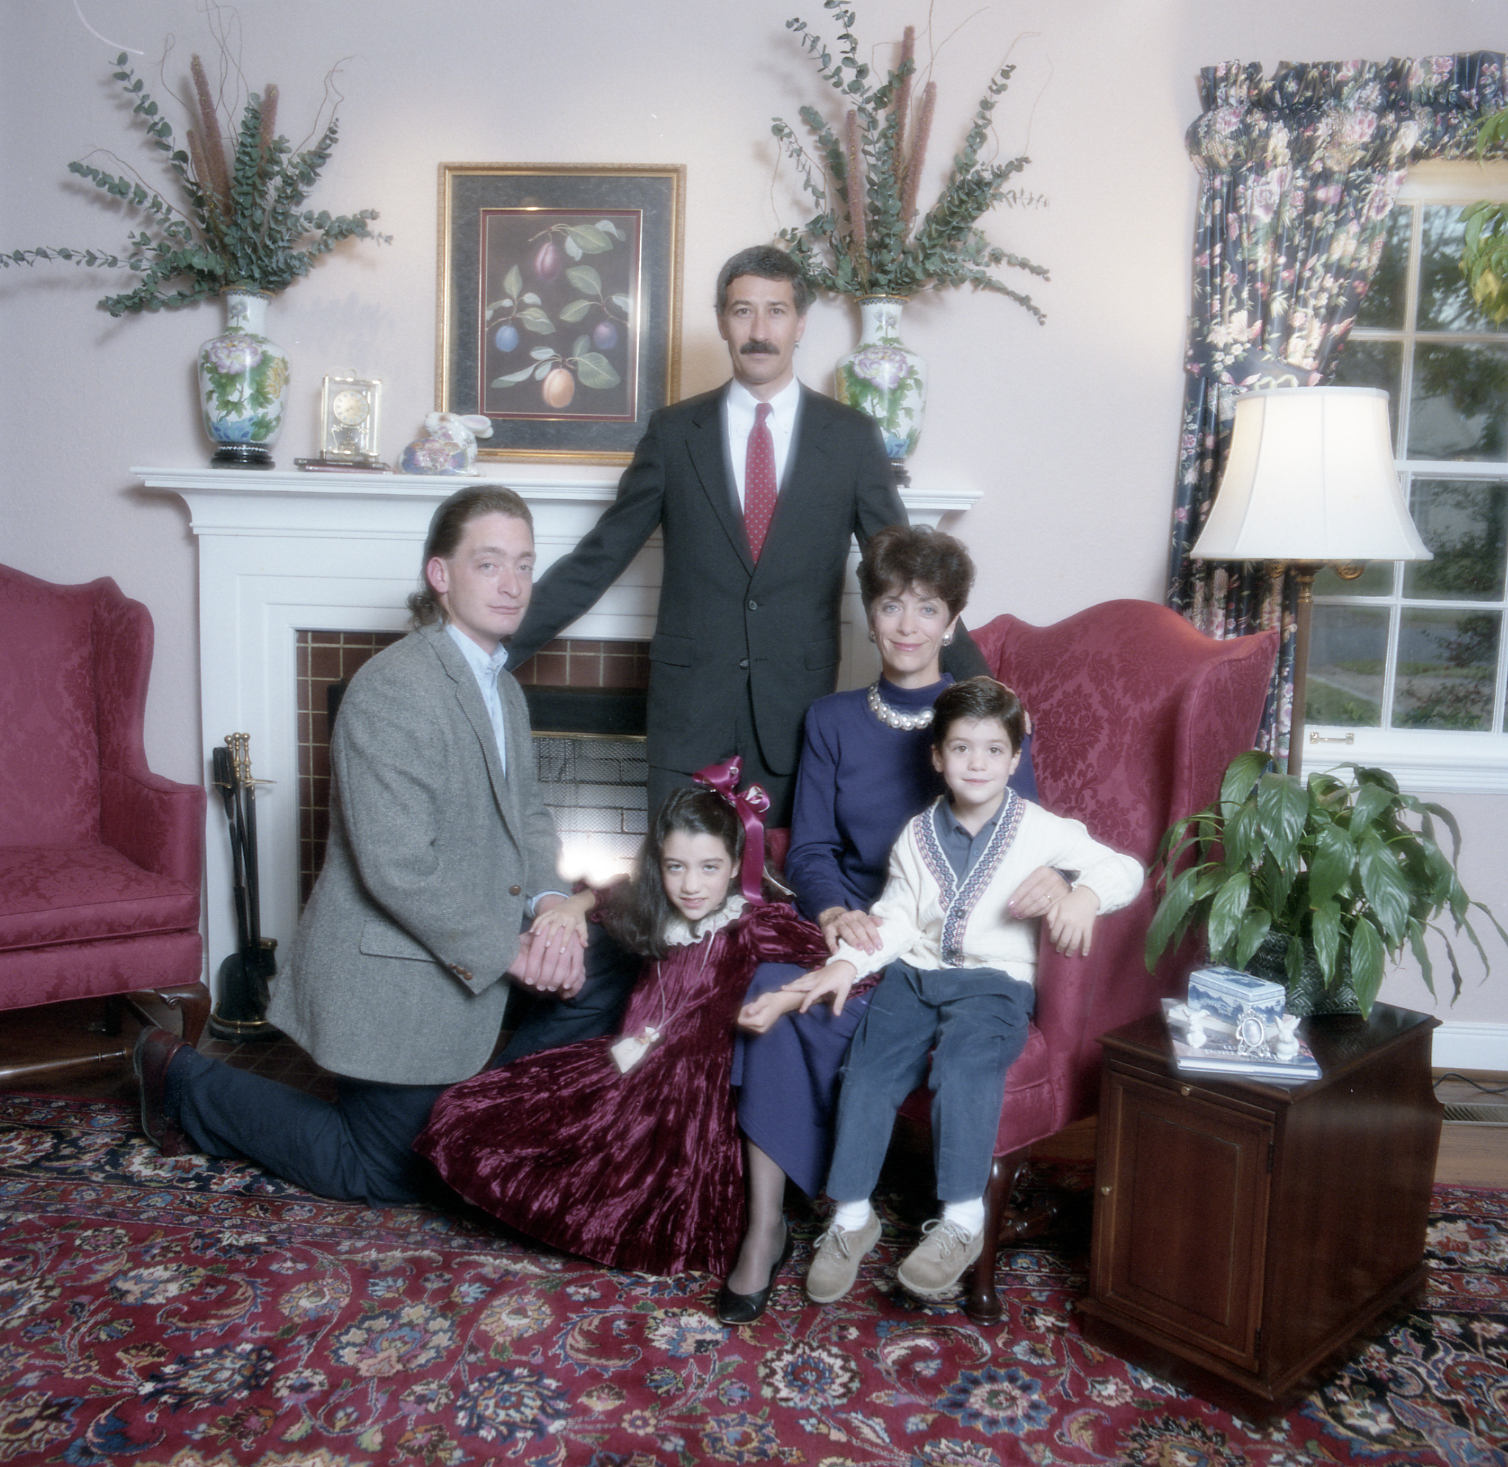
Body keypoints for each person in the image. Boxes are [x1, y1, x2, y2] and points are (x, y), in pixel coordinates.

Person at [132, 486, 587, 1205]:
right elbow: (398, 867)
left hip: (472, 944)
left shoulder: (502, 689)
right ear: (440, 574)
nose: (512, 584)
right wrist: (513, 950)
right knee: (385, 1172)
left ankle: (481, 1101)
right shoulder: (395, 687)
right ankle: (184, 1081)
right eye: (489, 563)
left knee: (608, 968)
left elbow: (527, 813)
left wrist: (553, 903)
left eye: (524, 565)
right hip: (394, 970)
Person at [505, 243, 987, 830]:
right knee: (675, 881)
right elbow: (600, 557)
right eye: (742, 311)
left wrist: (982, 687)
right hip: (688, 716)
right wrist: (495, 650)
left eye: (776, 311)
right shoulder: (674, 433)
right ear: (721, 321)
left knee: (781, 885)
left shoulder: (851, 437)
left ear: (800, 322)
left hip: (796, 716)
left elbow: (909, 570)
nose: (759, 331)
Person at [719, 525, 1061, 1323]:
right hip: (852, 932)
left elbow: (1033, 838)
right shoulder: (832, 719)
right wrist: (835, 911)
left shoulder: (982, 721)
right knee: (770, 989)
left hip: (937, 947)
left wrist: (1063, 882)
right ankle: (767, 1226)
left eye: (928, 608)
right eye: (891, 604)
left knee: (837, 1008)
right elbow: (809, 847)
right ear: (869, 615)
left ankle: (882, 1210)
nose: (907, 624)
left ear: (952, 621)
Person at [786, 677, 1144, 1304]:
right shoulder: (916, 835)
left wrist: (1083, 894)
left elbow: (1126, 868)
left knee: (963, 1066)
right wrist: (845, 963)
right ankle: (851, 1219)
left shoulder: (1041, 829)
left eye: (993, 749)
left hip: (992, 983)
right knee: (867, 1072)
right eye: (960, 748)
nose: (977, 763)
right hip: (915, 975)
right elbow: (897, 917)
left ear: (1014, 758)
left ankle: (961, 1220)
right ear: (936, 757)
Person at [413, 765, 830, 1277]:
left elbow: (845, 966)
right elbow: (611, 894)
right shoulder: (655, 907)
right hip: (622, 1064)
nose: (691, 885)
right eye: (675, 867)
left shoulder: (753, 923)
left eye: (708, 868)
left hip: (690, 1094)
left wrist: (786, 999)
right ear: (659, 865)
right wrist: (575, 904)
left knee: (631, 1195)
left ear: (735, 866)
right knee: (466, 1114)